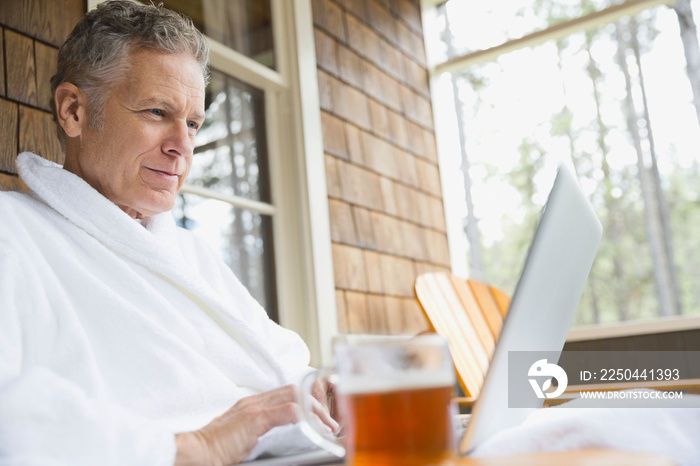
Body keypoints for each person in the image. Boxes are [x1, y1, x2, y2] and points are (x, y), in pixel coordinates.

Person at [0, 2, 336, 465]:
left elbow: (286, 371)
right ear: (74, 111)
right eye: (157, 111)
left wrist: (323, 395)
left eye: (194, 123)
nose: (182, 145)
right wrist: (192, 448)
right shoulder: (11, 234)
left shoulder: (186, 253)